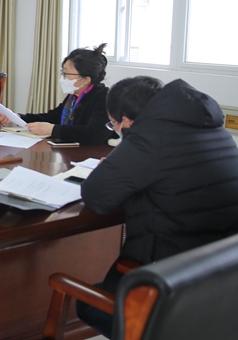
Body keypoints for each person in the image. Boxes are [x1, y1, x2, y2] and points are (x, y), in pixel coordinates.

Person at [77, 76, 238, 338]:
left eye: (113, 123)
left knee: (87, 304)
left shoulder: (149, 137)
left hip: (171, 285)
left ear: (127, 121)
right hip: (219, 285)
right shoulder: (213, 128)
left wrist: (110, 166)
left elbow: (97, 197)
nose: (115, 129)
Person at [0, 44, 114, 145]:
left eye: (67, 74)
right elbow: (53, 117)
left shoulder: (104, 99)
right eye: (63, 73)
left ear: (85, 80)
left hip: (93, 155)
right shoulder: (74, 95)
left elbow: (94, 134)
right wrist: (18, 117)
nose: (63, 78)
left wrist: (52, 130)